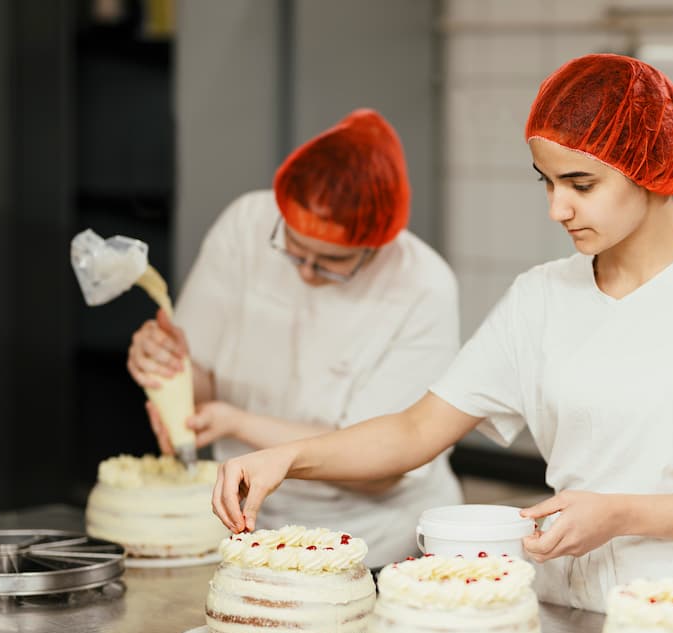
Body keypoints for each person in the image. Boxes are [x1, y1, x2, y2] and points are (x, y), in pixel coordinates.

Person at [210, 55, 673, 611]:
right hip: (559, 612)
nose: (558, 209)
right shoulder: (541, 297)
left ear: (650, 170)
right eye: (547, 183)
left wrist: (622, 513)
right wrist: (288, 458)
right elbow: (414, 430)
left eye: (581, 185)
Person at [127, 109, 463, 567]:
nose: (305, 271)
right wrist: (166, 370)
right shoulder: (246, 225)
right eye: (294, 249)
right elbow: (199, 377)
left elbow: (382, 467)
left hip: (373, 539)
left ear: (377, 245)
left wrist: (235, 422)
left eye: (331, 262)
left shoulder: (423, 286)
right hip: (247, 527)